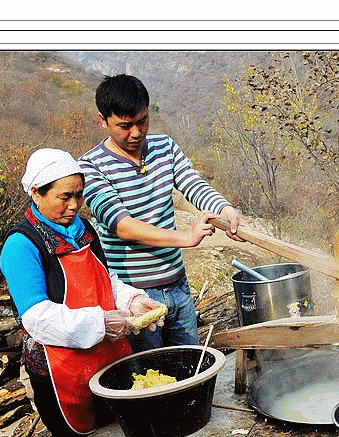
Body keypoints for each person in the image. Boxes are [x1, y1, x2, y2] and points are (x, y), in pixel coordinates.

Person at [0, 148, 164, 437]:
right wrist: (102, 322)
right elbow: (36, 318)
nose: (74, 205)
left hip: (111, 357)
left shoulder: (84, 230)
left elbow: (105, 279)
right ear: (36, 192)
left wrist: (132, 300)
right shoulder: (21, 245)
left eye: (79, 194)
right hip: (62, 372)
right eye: (65, 196)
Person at [78, 74, 246, 353]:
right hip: (135, 296)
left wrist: (225, 210)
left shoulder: (164, 147)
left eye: (142, 121)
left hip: (177, 285)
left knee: (190, 365)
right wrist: (186, 237)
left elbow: (192, 184)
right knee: (150, 377)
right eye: (125, 126)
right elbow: (122, 225)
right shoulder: (90, 166)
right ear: (103, 121)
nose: (136, 133)